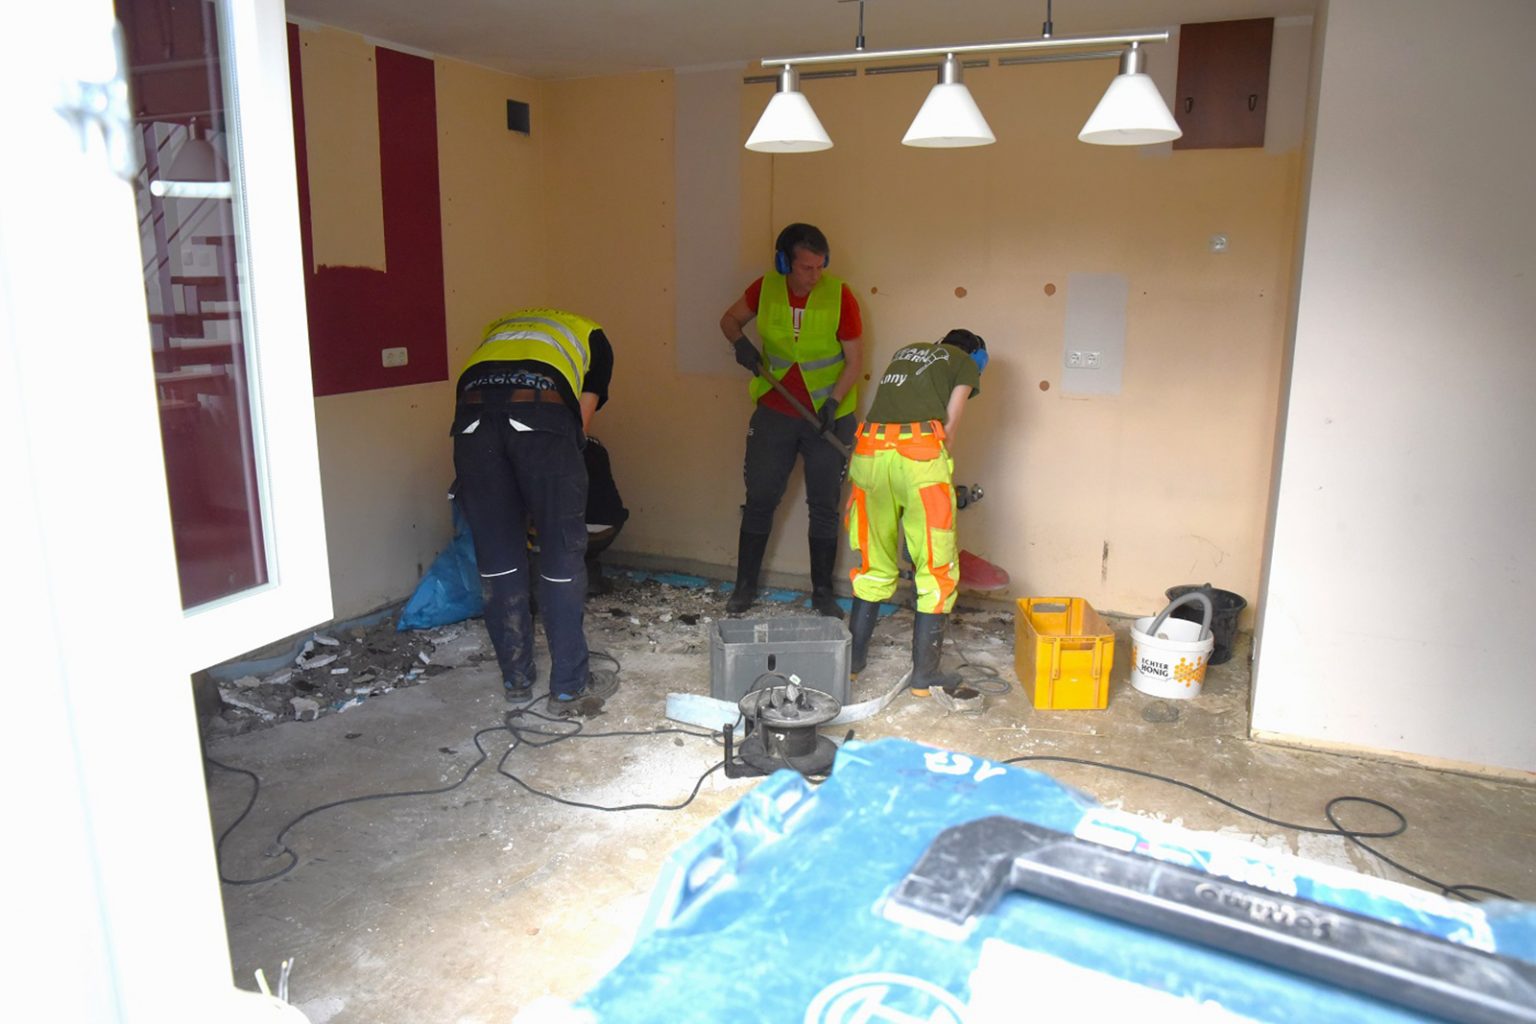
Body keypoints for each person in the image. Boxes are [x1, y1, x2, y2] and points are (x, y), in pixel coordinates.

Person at [450, 307, 615, 715]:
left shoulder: (497, 327)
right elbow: (581, 422)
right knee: (562, 554)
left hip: (471, 421)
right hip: (541, 414)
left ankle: (517, 680)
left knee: (498, 559)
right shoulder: (593, 334)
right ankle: (568, 686)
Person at [718, 222, 863, 619]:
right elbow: (728, 321)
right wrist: (741, 345)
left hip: (828, 417)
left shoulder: (839, 295)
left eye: (820, 267)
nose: (815, 276)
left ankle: (822, 594)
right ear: (784, 263)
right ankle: (744, 589)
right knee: (760, 499)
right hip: (775, 412)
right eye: (806, 268)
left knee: (824, 505)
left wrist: (833, 405)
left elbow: (854, 361)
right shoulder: (764, 288)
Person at [844, 329, 987, 696]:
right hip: (920, 461)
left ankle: (852, 665)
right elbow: (949, 430)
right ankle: (925, 676)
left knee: (873, 565)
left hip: (869, 456)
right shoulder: (965, 365)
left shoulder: (906, 349)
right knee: (936, 570)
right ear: (975, 357)